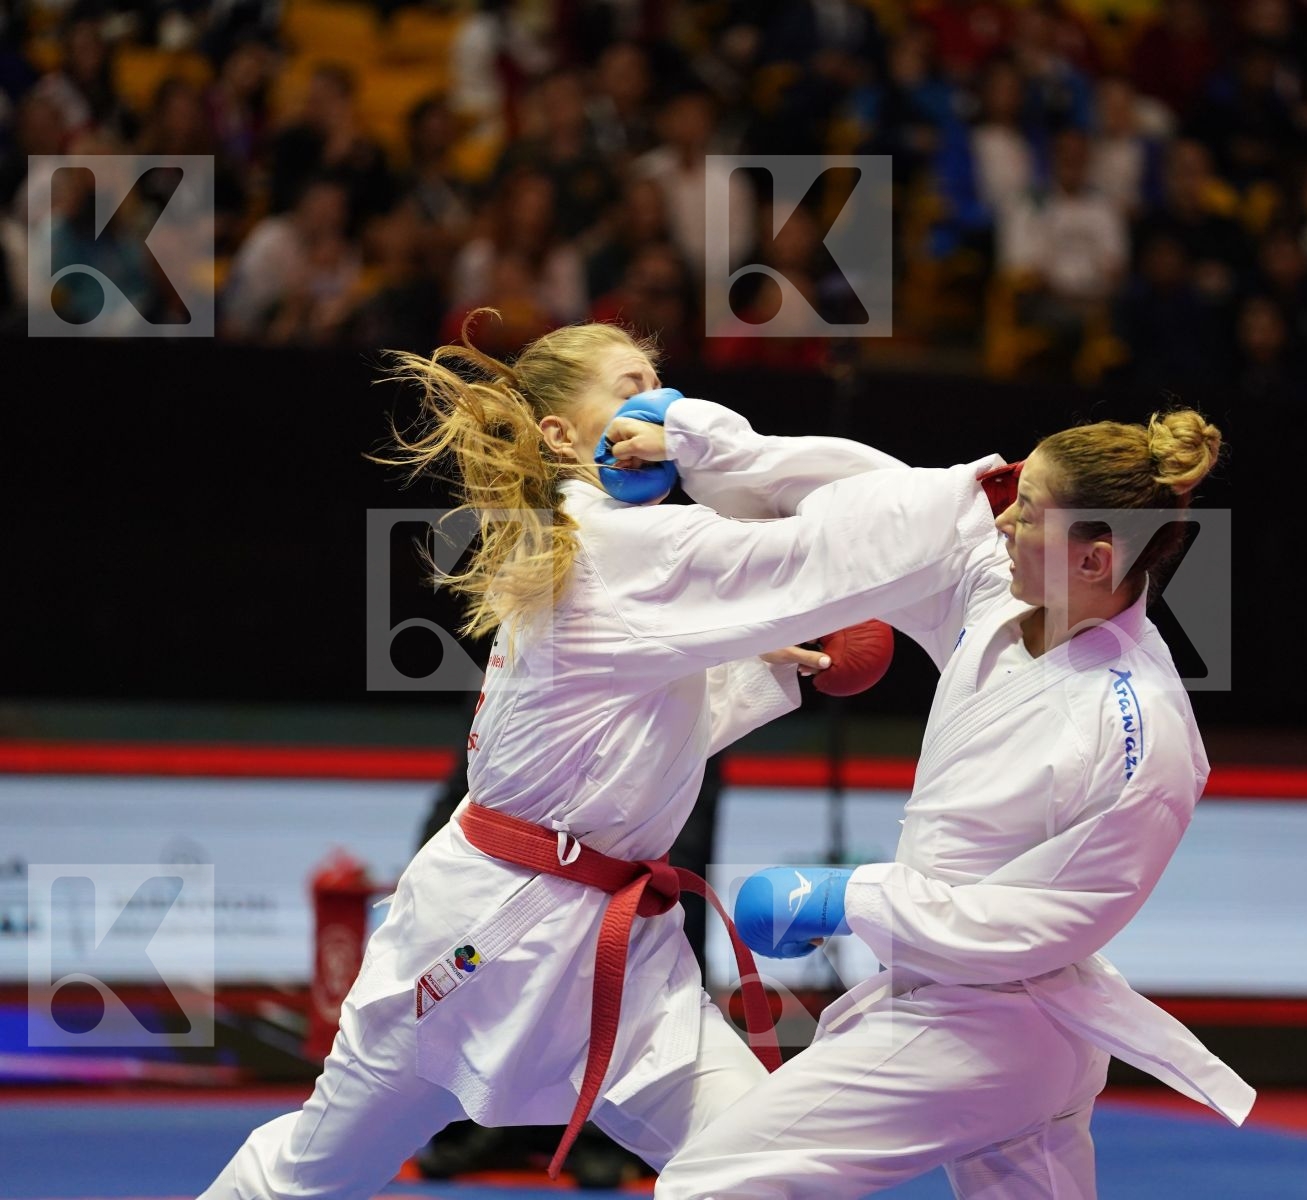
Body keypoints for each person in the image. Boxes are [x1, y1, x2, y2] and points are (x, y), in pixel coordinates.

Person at [200, 315, 1001, 1199]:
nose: (661, 405)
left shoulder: (609, 549)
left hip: (627, 955)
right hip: (490, 934)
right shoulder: (613, 544)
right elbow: (824, 545)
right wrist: (986, 493)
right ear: (561, 435)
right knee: (311, 1176)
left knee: (766, 1171)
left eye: (665, 387)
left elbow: (630, 735)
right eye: (630, 389)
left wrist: (764, 664)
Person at [648, 411, 1255, 1198]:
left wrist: (848, 898)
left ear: (1096, 558)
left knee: (711, 1186)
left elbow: (1049, 924)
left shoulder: (1144, 733)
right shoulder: (998, 592)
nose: (1002, 520)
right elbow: (880, 505)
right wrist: (693, 439)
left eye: (1028, 511)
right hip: (991, 1024)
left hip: (988, 1027)